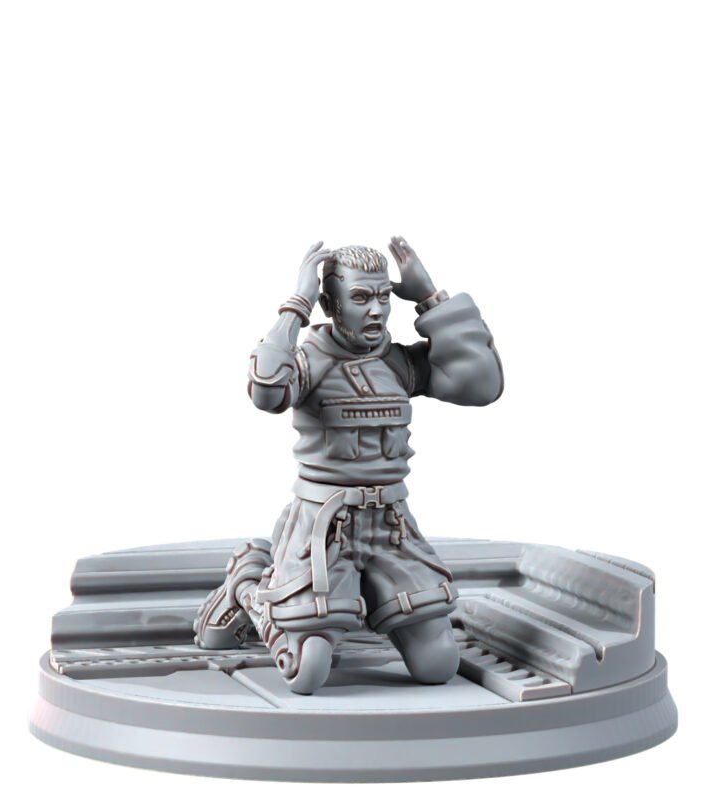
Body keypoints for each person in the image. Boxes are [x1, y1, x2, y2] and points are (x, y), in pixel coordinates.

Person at [194, 237, 504, 694]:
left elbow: (480, 384)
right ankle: (248, 578)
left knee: (437, 664)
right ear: (331, 304)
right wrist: (296, 305)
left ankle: (359, 602)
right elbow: (266, 390)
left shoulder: (397, 363)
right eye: (360, 298)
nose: (376, 310)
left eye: (383, 296)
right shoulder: (311, 362)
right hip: (323, 530)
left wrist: (429, 297)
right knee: (306, 672)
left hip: (392, 528)